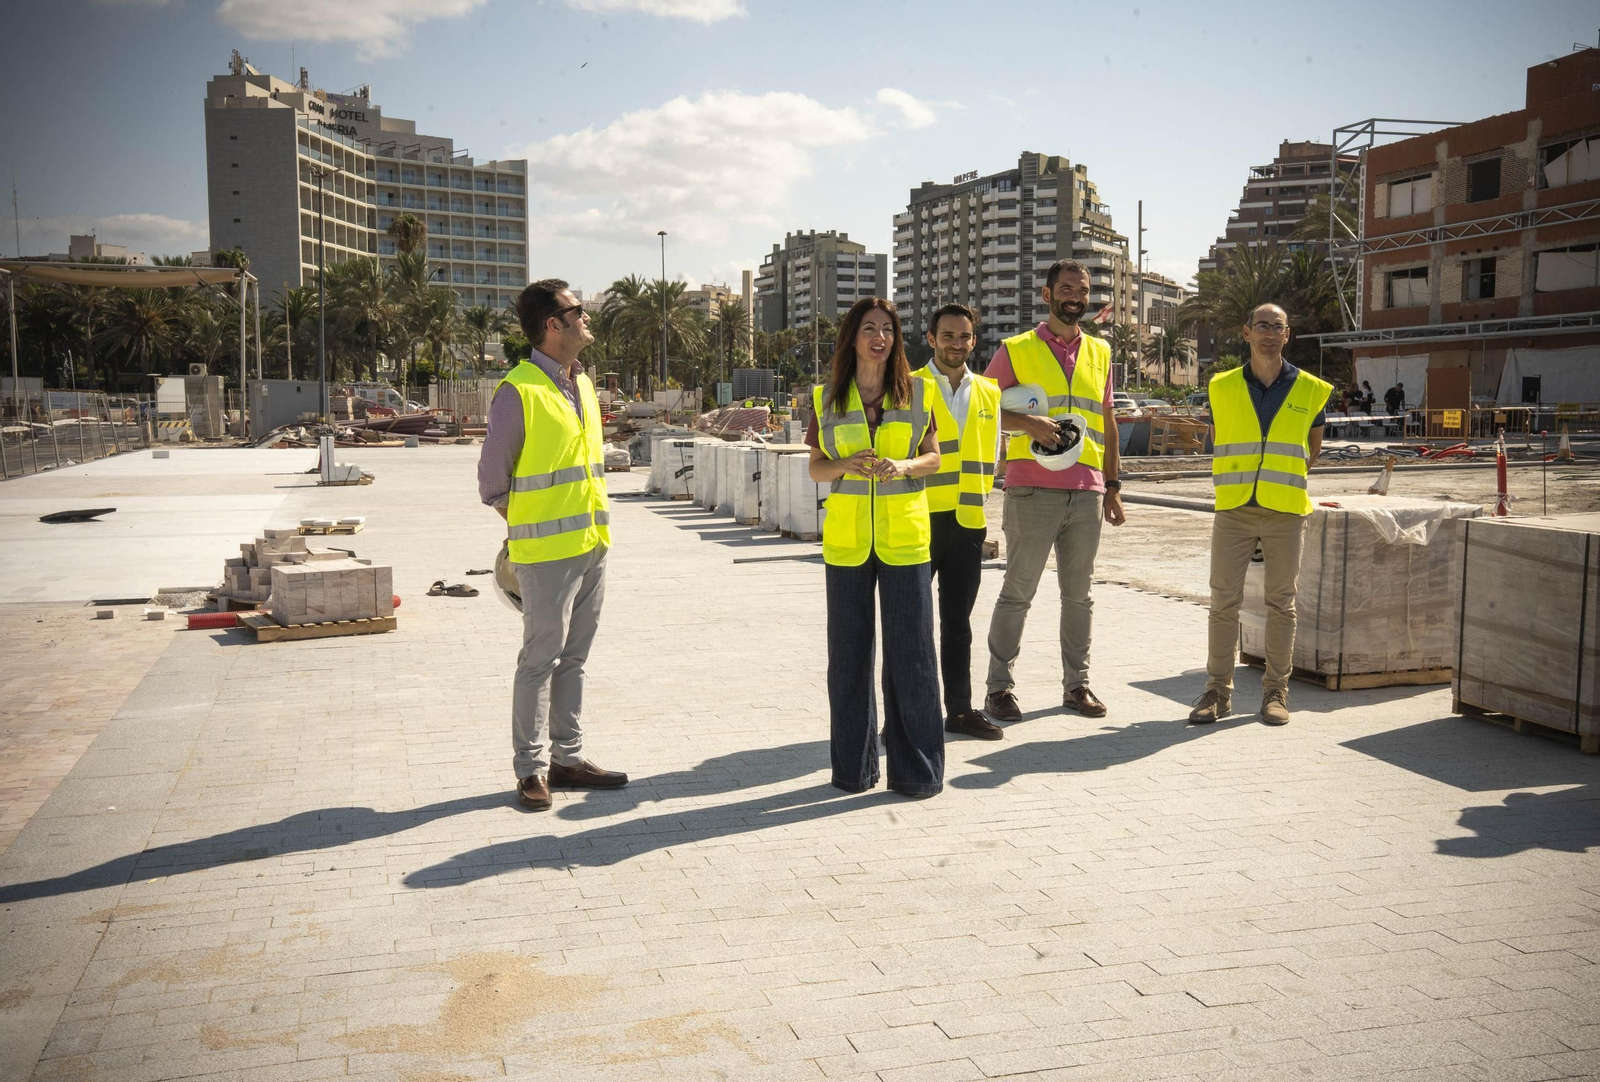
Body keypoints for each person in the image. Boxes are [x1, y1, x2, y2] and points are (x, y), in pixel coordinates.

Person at [478, 278, 628, 810]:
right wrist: (529, 531)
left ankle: (567, 758)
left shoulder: (582, 384)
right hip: (544, 555)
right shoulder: (518, 391)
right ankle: (530, 769)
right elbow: (493, 483)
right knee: (539, 660)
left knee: (575, 659)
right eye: (577, 310)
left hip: (592, 544)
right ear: (553, 324)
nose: (587, 317)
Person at [807, 298, 944, 797]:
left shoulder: (919, 393)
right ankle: (853, 771)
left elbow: (933, 459)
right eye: (869, 328)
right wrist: (845, 466)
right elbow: (817, 466)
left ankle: (917, 772)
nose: (879, 337)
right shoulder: (826, 397)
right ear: (852, 337)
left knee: (912, 657)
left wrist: (903, 467)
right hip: (846, 544)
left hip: (905, 542)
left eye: (888, 329)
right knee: (848, 659)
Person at [983, 259, 1126, 724]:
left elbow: (1106, 421)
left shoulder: (1101, 353)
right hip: (1031, 490)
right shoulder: (1016, 349)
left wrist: (1113, 486)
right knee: (1017, 593)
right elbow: (982, 411)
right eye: (1066, 289)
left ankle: (1077, 685)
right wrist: (1027, 423)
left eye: (1081, 291)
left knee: (1079, 596)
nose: (1075, 297)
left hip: (1085, 492)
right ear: (1046, 295)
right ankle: (998, 689)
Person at [1189, 303, 1331, 727]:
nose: (1270, 333)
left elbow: (1314, 450)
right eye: (1262, 326)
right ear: (1247, 332)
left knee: (1281, 604)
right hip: (1234, 509)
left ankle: (1276, 691)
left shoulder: (1311, 389)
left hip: (1285, 510)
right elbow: (1219, 440)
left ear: (1288, 336)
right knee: (1222, 603)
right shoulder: (1221, 386)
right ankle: (1217, 691)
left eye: (1278, 327)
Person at [911, 303, 1003, 740]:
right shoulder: (907, 387)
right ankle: (906, 716)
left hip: (968, 522)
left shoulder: (989, 392)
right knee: (909, 622)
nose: (956, 344)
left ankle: (961, 710)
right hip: (917, 520)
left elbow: (990, 455)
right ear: (931, 339)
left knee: (958, 623)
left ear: (973, 340)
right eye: (947, 335)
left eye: (964, 336)